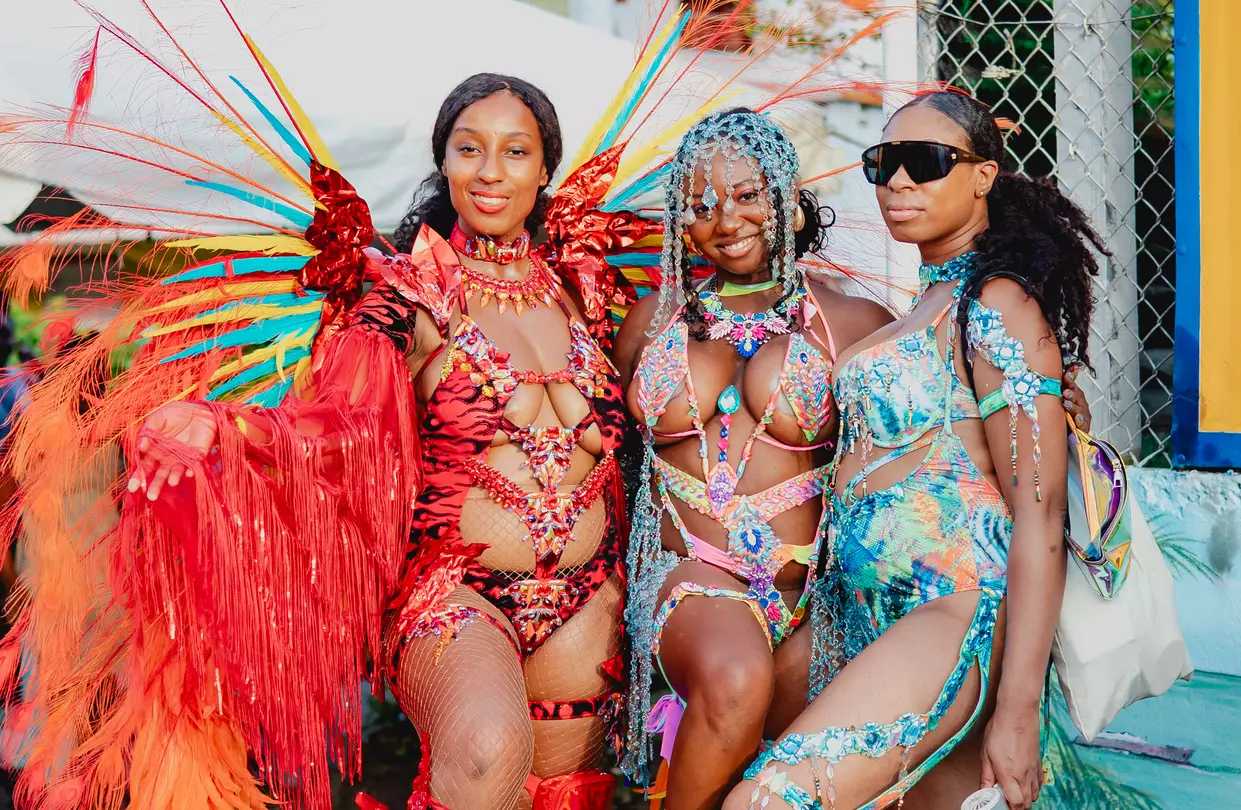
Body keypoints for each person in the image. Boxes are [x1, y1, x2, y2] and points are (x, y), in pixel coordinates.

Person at [128, 74, 634, 810]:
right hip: (454, 589)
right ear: (446, 163)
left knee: (563, 796)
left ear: (544, 169)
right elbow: (339, 422)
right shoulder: (407, 290)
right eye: (470, 149)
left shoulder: (588, 292)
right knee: (485, 755)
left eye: (514, 152)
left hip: (589, 599)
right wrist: (227, 426)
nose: (491, 171)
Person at [728, 89, 1107, 810]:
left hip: (953, 614)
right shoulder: (927, 305)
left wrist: (1018, 709)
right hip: (862, 616)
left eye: (927, 162)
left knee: (765, 802)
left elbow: (1043, 513)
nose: (898, 181)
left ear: (983, 175)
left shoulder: (996, 302)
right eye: (884, 163)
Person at [613, 108, 892, 809]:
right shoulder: (652, 321)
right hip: (688, 580)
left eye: (747, 195)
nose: (724, 218)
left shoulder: (854, 321)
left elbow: (928, 422)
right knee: (736, 676)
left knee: (801, 780)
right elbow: (607, 456)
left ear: (790, 202)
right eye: (700, 203)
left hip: (812, 597)